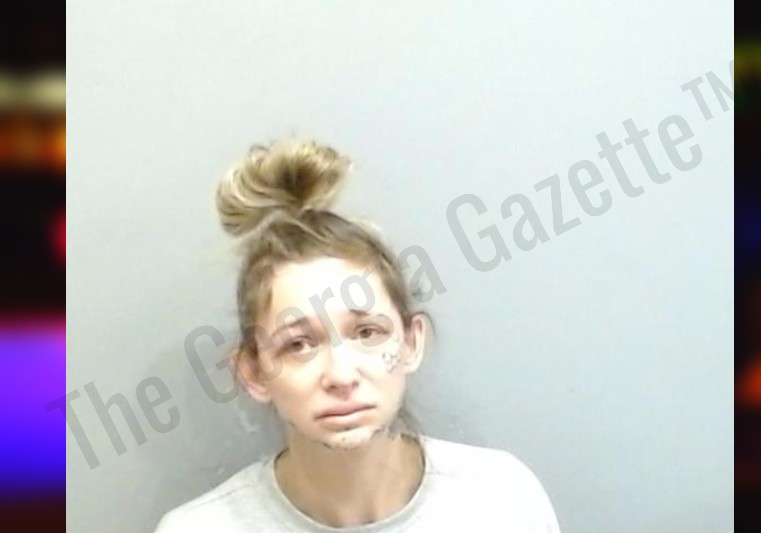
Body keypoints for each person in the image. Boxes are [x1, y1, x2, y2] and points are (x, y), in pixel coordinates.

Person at [154, 139, 561, 532]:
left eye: (368, 332)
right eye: (299, 345)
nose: (341, 375)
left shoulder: (504, 503)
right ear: (254, 372)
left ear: (410, 342)